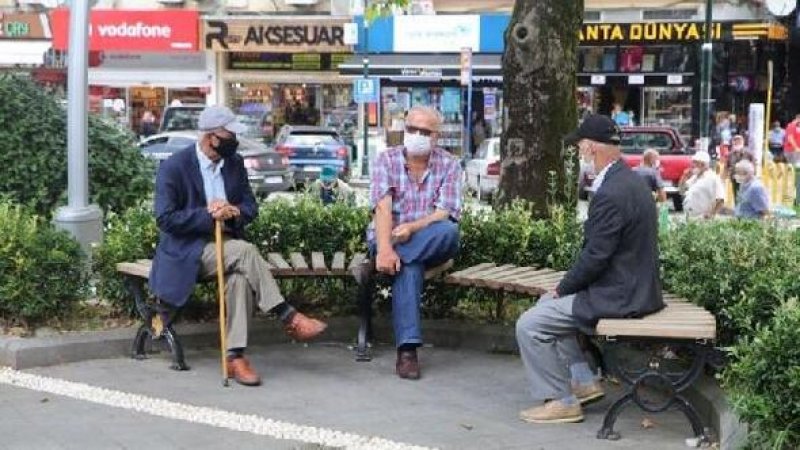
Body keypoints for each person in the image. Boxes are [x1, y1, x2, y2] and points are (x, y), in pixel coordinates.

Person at [149, 105, 327, 387]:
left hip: (227, 245)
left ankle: (235, 356)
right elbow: (165, 218)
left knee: (239, 279)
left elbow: (250, 207)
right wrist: (208, 214)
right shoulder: (174, 167)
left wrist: (233, 211)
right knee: (245, 252)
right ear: (211, 137)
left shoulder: (234, 164)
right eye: (229, 135)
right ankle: (287, 315)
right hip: (188, 251)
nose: (235, 141)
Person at [516, 115, 664, 424]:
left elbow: (595, 257)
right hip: (635, 288)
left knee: (530, 323)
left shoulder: (610, 193)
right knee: (550, 308)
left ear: (590, 147)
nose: (579, 153)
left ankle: (561, 400)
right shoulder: (630, 180)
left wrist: (561, 288)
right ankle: (583, 381)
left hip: (621, 295)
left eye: (580, 147)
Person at [366, 105, 461, 380]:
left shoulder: (449, 164)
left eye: (424, 131)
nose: (417, 135)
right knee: (408, 268)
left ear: (436, 136)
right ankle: (407, 351)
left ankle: (379, 263)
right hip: (388, 240)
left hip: (432, 240)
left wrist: (412, 228)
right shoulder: (386, 160)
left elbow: (446, 211)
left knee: (449, 231)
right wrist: (384, 249)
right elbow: (382, 207)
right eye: (412, 129)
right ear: (403, 130)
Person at [680, 151, 725, 220]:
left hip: (702, 218)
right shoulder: (695, 177)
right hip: (690, 216)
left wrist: (711, 214)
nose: (693, 165)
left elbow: (720, 199)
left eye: (696, 163)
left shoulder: (713, 178)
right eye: (694, 162)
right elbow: (682, 190)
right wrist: (684, 177)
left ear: (703, 164)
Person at [724, 135, 754, 199]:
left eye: (739, 141)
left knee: (746, 197)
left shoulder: (748, 153)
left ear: (742, 142)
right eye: (735, 141)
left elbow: (754, 163)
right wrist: (724, 177)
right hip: (735, 179)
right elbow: (727, 166)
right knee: (736, 197)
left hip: (746, 179)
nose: (737, 142)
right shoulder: (730, 154)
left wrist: (753, 174)